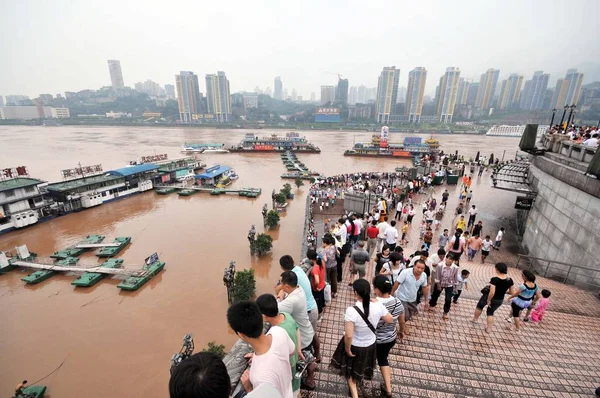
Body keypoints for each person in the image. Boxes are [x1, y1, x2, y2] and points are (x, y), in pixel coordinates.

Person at [330, 279, 394, 398]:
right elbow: (390, 319)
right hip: (370, 344)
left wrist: (348, 349)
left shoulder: (351, 310)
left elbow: (349, 335)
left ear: (355, 293)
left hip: (355, 345)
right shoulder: (378, 305)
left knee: (350, 372)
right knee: (361, 366)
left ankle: (355, 395)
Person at [227, 301, 295, 398]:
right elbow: (291, 352)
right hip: (289, 392)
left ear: (241, 335)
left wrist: (250, 389)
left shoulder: (259, 377)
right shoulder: (279, 331)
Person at [256, 294, 302, 396]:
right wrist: (299, 350)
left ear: (263, 316)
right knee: (297, 392)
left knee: (294, 392)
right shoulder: (286, 315)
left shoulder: (278, 333)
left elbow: (291, 363)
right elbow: (297, 329)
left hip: (291, 375)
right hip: (296, 358)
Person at [277, 271, 317, 389]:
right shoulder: (299, 289)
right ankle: (311, 370)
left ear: (287, 286)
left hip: (302, 338)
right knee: (309, 357)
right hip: (307, 330)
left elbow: (274, 309)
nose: (279, 285)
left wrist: (279, 298)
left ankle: (310, 382)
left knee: (306, 359)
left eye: (281, 283)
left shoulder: (292, 300)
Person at [277, 255, 320, 362]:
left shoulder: (292, 279)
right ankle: (316, 355)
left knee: (310, 334)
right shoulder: (297, 270)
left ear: (282, 267)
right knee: (311, 333)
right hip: (311, 306)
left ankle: (314, 359)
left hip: (309, 310)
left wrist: (280, 291)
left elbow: (277, 292)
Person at [373, 276, 405, 398]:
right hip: (389, 339)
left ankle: (359, 380)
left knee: (366, 359)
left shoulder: (373, 303)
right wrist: (402, 332)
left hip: (373, 340)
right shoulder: (398, 302)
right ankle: (388, 388)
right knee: (383, 359)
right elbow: (402, 321)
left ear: (376, 290)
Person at [471, 262, 514, 333]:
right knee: (490, 312)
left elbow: (492, 292)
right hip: (499, 300)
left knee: (480, 306)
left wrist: (488, 300)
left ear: (497, 269)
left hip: (489, 297)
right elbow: (512, 292)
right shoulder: (509, 280)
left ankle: (475, 319)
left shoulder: (494, 279)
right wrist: (503, 291)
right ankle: (489, 328)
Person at [428, 253, 459, 320]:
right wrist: (438, 285)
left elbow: (455, 278)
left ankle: (445, 312)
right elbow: (437, 275)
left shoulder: (455, 268)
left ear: (453, 260)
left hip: (449, 284)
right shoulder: (440, 265)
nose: (449, 260)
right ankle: (432, 304)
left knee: (448, 299)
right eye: (448, 258)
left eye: (451, 259)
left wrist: (456, 287)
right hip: (440, 282)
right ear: (446, 258)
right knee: (435, 294)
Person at [307, 249, 326, 315]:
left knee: (318, 301)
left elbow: (317, 281)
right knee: (322, 297)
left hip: (318, 288)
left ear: (311, 259)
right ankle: (323, 306)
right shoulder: (322, 262)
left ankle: (319, 313)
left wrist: (316, 286)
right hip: (323, 284)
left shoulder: (315, 268)